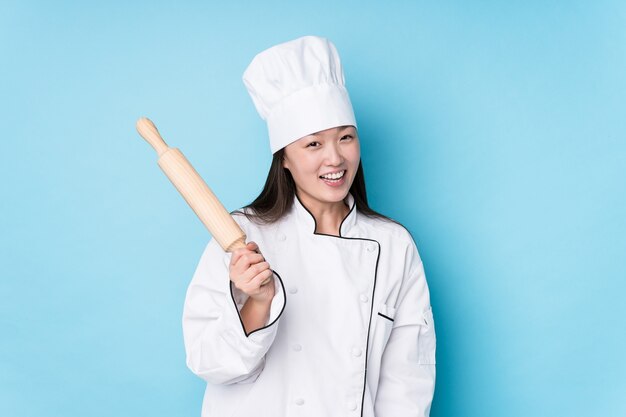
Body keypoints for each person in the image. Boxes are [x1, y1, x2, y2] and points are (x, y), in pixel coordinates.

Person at [182, 35, 436, 417]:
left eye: (346, 138)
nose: (335, 158)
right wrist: (258, 301)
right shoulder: (241, 238)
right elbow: (211, 363)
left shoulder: (394, 245)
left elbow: (407, 381)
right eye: (313, 145)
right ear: (284, 157)